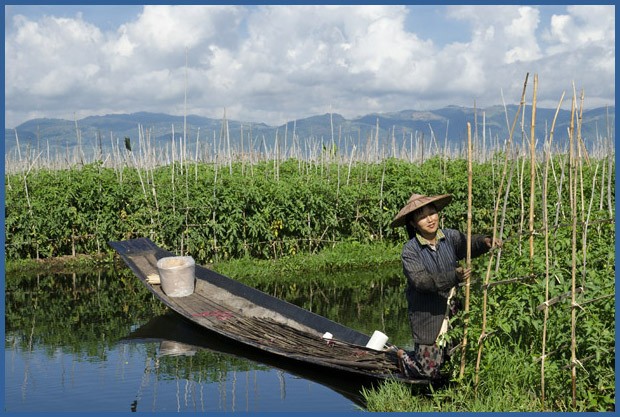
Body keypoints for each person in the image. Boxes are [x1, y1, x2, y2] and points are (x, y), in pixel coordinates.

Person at [390, 193, 500, 380]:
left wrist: (484, 242)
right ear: (413, 223)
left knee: (453, 357)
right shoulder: (411, 249)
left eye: (432, 213)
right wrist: (453, 276)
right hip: (427, 314)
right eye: (422, 217)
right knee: (428, 372)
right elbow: (421, 281)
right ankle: (403, 356)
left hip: (453, 309)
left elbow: (468, 244)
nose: (430, 219)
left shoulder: (450, 237)